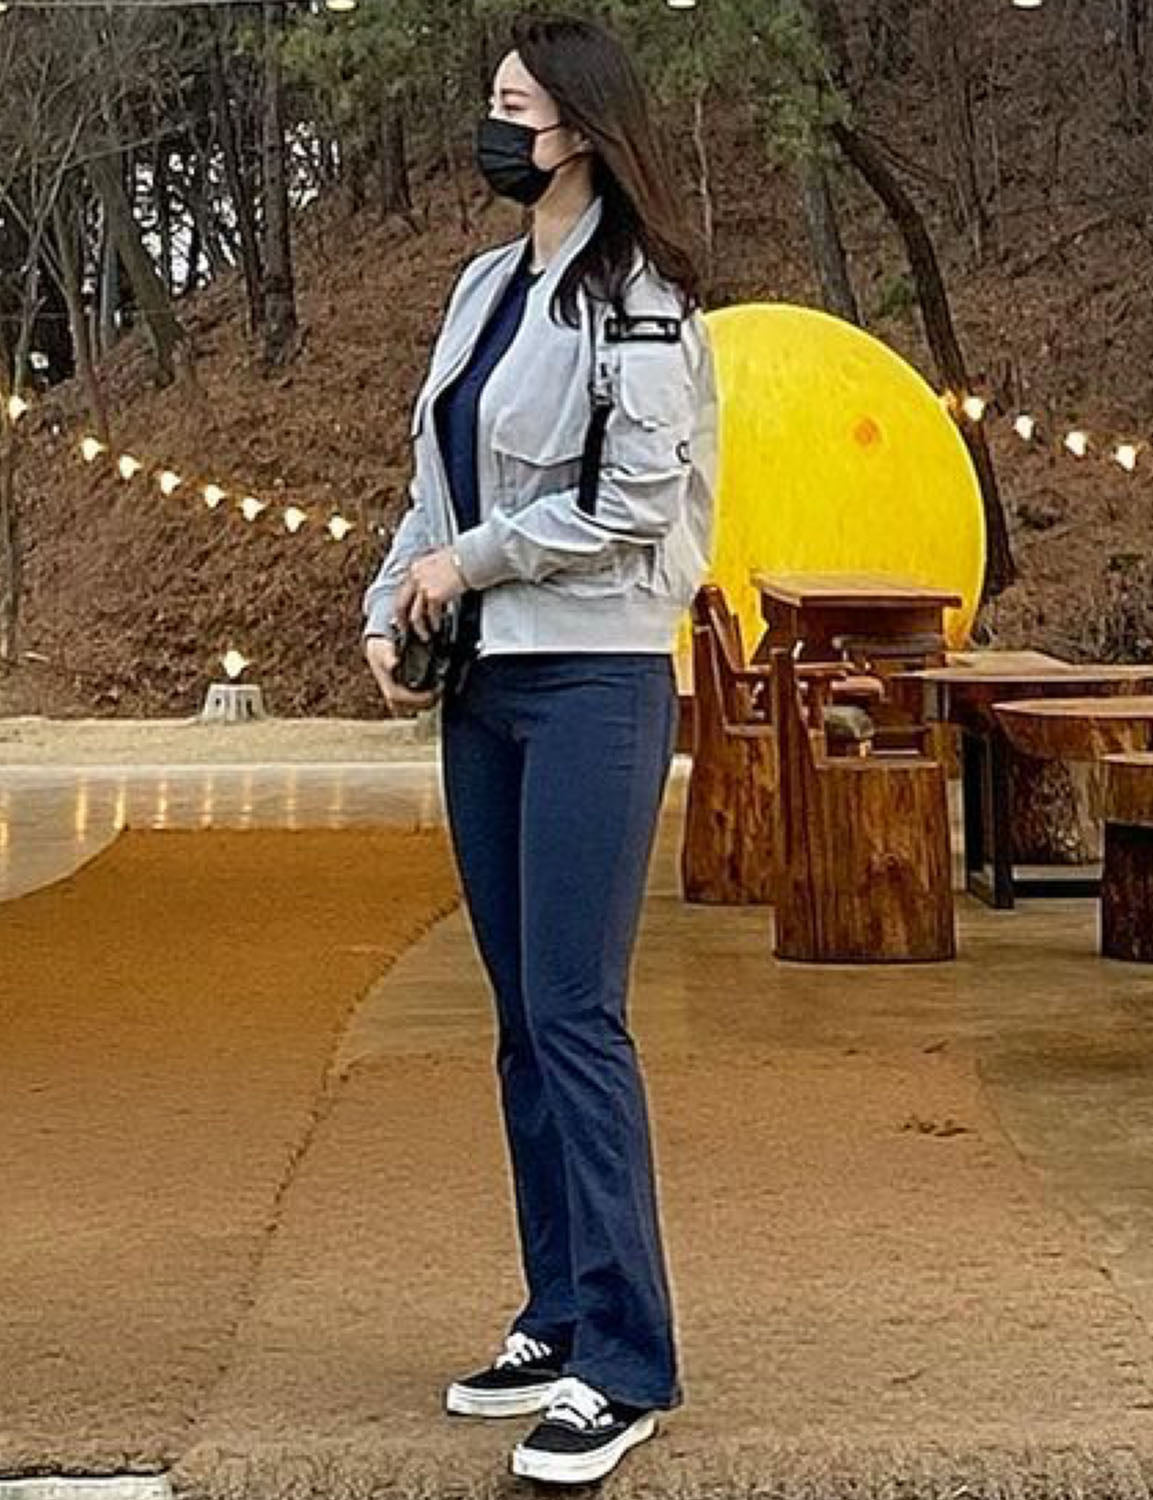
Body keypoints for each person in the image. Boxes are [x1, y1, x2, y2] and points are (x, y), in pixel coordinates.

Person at [361, 12, 716, 1486]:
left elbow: (634, 506)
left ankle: (626, 1363)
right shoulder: (485, 287)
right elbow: (432, 483)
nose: (494, 128)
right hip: (487, 691)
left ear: (580, 124)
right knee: (519, 1014)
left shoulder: (643, 301)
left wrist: (473, 564)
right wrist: (393, 602)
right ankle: (558, 1311)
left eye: (515, 107)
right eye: (491, 104)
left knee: (576, 1013)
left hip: (595, 681)